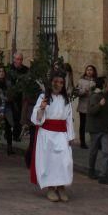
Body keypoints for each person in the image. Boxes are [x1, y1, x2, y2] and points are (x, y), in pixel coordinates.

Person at [30, 72, 75, 202]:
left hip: (61, 134)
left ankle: (61, 187)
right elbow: (36, 118)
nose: (59, 85)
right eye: (56, 82)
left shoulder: (65, 99)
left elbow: (68, 118)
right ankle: (50, 188)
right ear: (51, 83)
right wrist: (42, 109)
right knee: (49, 162)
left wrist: (70, 136)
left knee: (64, 161)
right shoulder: (43, 97)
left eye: (61, 83)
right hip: (47, 135)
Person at [87, 77, 108, 185]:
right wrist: (99, 105)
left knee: (106, 152)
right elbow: (91, 111)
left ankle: (103, 175)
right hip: (95, 129)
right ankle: (91, 170)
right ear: (103, 85)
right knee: (93, 151)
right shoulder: (95, 96)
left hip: (106, 129)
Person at [75, 65, 97, 149]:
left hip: (93, 106)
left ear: (93, 71)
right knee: (83, 125)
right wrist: (84, 91)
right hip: (83, 106)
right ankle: (82, 142)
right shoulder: (81, 81)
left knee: (93, 125)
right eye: (88, 70)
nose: (89, 71)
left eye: (91, 70)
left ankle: (95, 142)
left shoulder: (96, 81)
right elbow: (77, 92)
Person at [0, 67, 14, 155]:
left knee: (8, 127)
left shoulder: (8, 83)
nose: (1, 73)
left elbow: (11, 94)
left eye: (2, 71)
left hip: (7, 107)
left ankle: (10, 147)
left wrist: (9, 98)